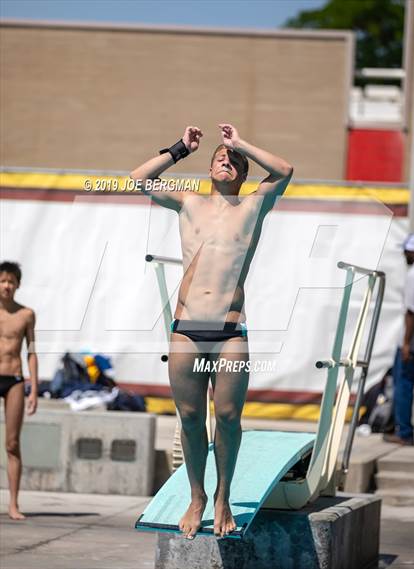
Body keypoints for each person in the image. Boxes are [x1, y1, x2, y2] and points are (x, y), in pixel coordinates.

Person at [131, 124, 292, 538]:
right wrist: (180, 148)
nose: (227, 160)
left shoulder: (253, 206)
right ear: (208, 169)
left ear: (243, 173)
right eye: (221, 156)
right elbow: (138, 180)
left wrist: (240, 144)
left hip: (230, 331)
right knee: (188, 417)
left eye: (235, 160)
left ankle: (223, 497)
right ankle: (197, 495)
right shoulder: (189, 202)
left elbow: (285, 170)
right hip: (186, 330)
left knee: (228, 416)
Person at [0, 261, 38, 519]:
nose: (6, 286)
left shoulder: (26, 314)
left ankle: (13, 504)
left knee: (12, 444)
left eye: (11, 281)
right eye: (3, 281)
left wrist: (34, 389)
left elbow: (32, 352)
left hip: (14, 379)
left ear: (18, 285)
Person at [384, 234, 414, 446]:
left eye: (406, 250)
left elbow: (411, 312)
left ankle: (404, 433)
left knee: (403, 386)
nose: (403, 254)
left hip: (413, 344)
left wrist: (406, 344)